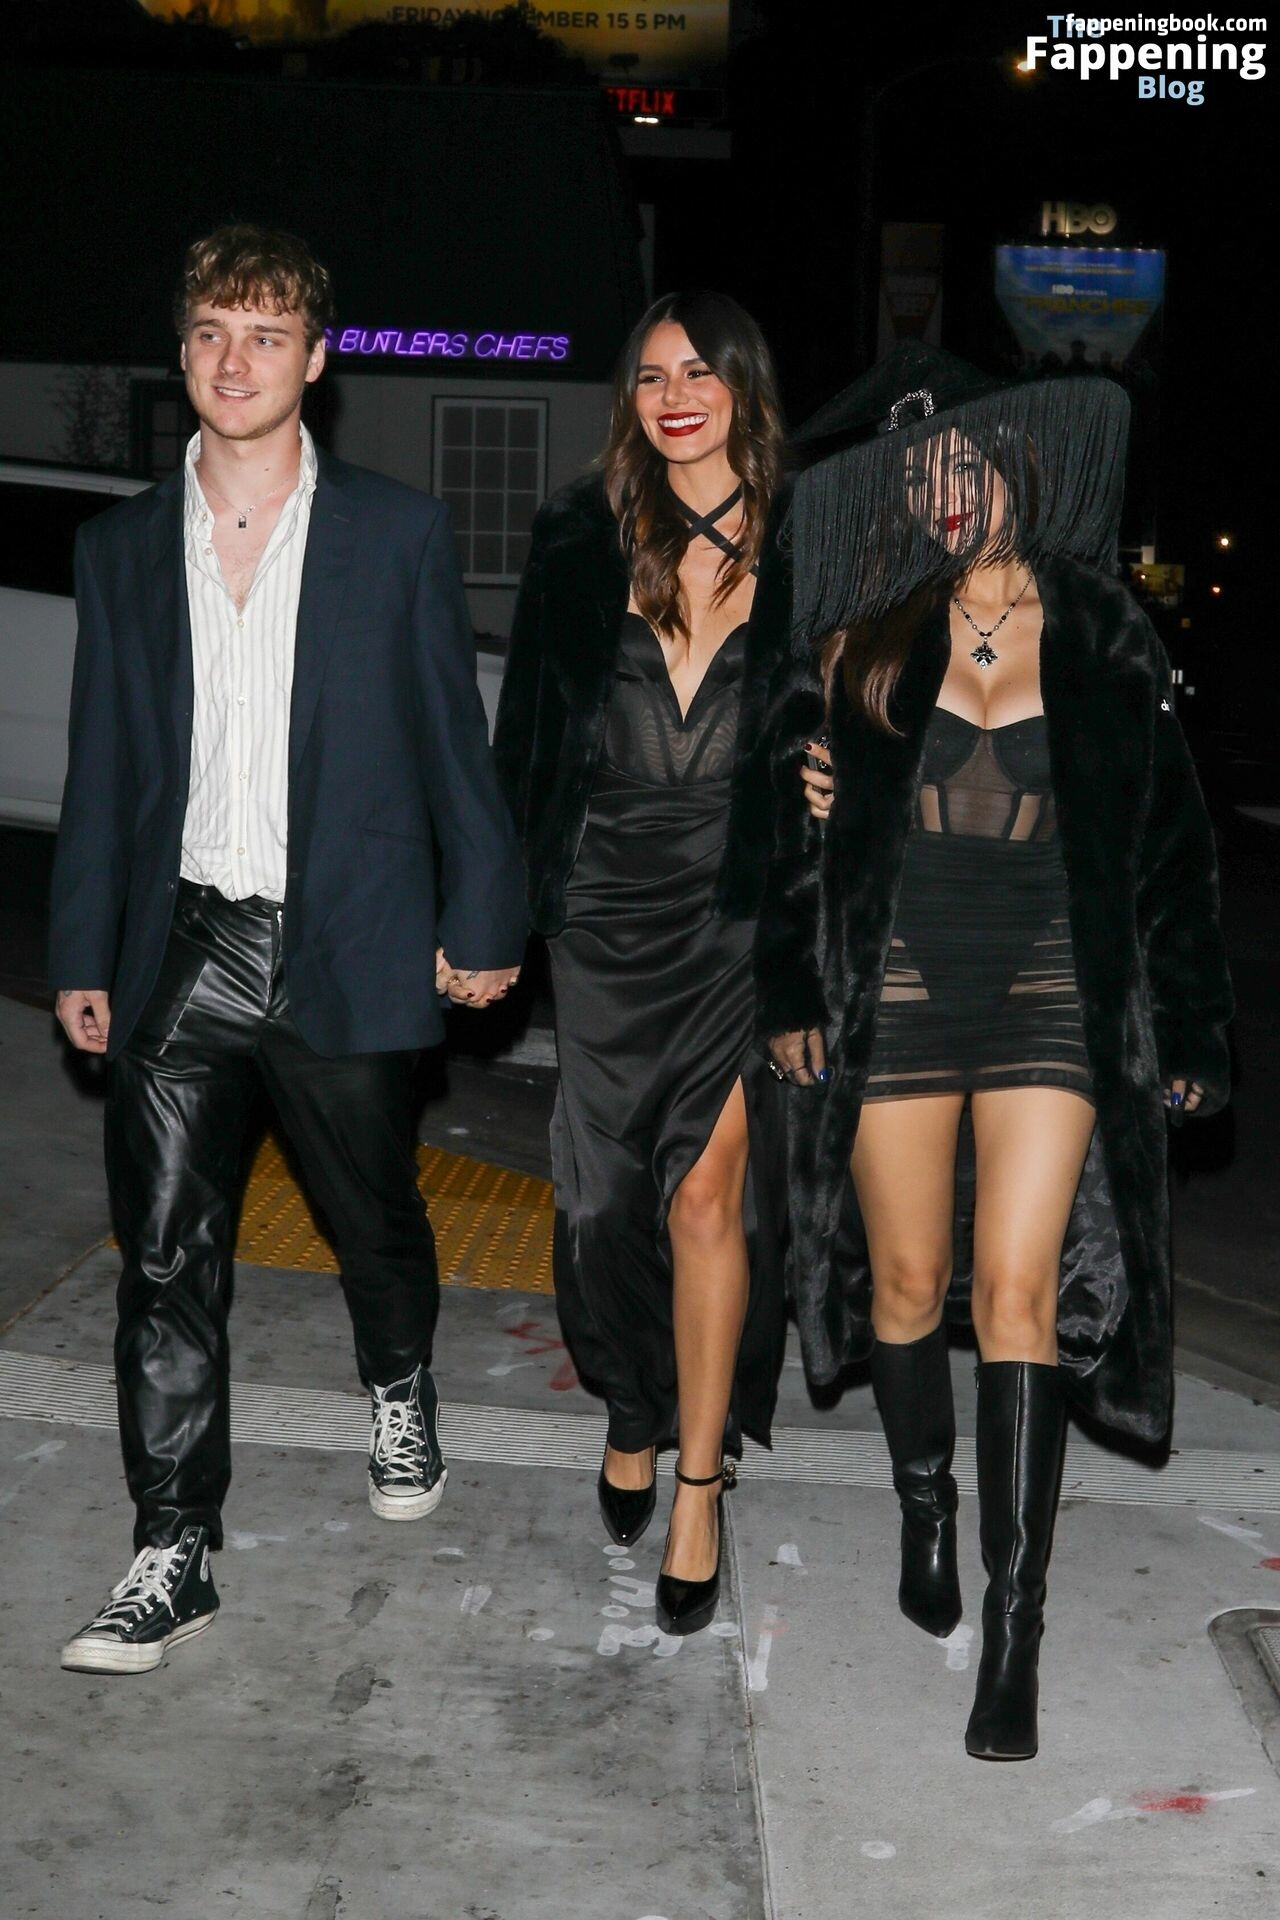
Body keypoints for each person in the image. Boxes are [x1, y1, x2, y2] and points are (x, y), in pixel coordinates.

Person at [50, 225, 526, 1675]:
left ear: (316, 361)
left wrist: (482, 918)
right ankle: (173, 1545)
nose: (233, 359)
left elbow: (451, 739)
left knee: (373, 1216)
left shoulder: (394, 532)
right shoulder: (123, 547)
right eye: (210, 331)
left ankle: (400, 1376)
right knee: (165, 1255)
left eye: (265, 334)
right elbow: (101, 762)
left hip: (348, 933)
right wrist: (83, 946)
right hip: (183, 943)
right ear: (183, 351)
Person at [758, 341, 1232, 1758]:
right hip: (902, 985)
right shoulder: (863, 636)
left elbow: (1173, 844)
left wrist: (1191, 1025)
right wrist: (797, 961)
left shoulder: (1102, 629)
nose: (946, 491)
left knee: (1017, 1293)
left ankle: (1014, 1635)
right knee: (908, 1282)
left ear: (1013, 465)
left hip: (1052, 990)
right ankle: (926, 1501)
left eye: (965, 462)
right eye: (921, 475)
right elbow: (794, 848)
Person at [493, 291, 791, 1637]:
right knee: (602, 1205)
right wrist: (485, 918)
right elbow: (526, 741)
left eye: (700, 372)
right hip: (604, 912)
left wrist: (835, 781)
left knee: (706, 1200)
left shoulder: (808, 545)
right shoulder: (580, 532)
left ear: (743, 388)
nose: (676, 396)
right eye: (653, 375)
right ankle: (630, 1402)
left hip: (733, 917)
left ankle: (701, 1484)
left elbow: (864, 709)